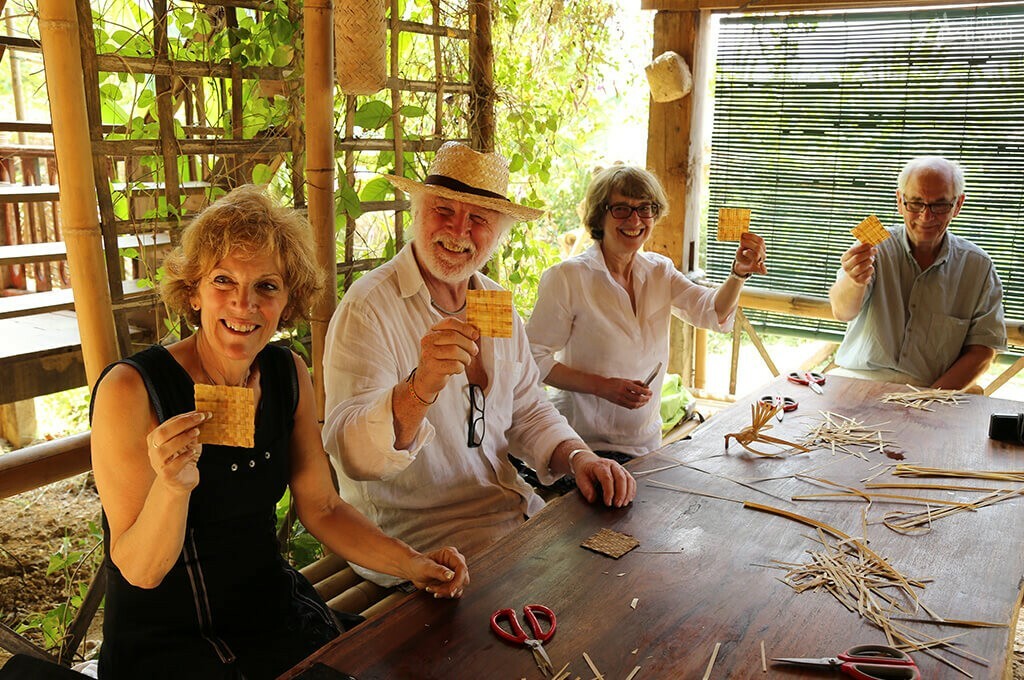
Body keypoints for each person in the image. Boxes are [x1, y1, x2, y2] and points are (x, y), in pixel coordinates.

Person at [90, 186, 469, 680]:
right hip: (168, 644)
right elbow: (141, 572)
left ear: (288, 302)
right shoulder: (132, 390)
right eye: (223, 280)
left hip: (269, 616)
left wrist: (412, 564)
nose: (244, 303)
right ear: (194, 291)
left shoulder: (287, 372)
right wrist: (172, 487)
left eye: (267, 286)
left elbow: (323, 507)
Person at [322, 142, 637, 584]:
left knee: (619, 577)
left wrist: (579, 456)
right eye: (444, 210)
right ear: (417, 212)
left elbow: (527, 407)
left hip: (513, 515)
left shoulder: (492, 302)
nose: (459, 231)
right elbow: (352, 455)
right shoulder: (370, 306)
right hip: (419, 545)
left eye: (479, 219)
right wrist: (420, 387)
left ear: (498, 232)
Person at [526, 165, 767, 458]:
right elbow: (533, 357)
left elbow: (711, 311)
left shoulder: (658, 270)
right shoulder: (567, 278)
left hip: (646, 443)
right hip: (582, 446)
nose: (635, 220)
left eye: (645, 208)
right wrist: (603, 387)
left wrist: (738, 274)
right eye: (621, 209)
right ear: (600, 215)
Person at [830, 156, 1006, 390]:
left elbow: (982, 350)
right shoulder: (874, 248)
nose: (926, 216)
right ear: (900, 201)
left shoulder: (978, 267)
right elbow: (842, 312)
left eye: (940, 205)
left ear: (958, 205)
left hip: (928, 391)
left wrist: (930, 398)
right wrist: (854, 281)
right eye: (915, 203)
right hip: (857, 381)